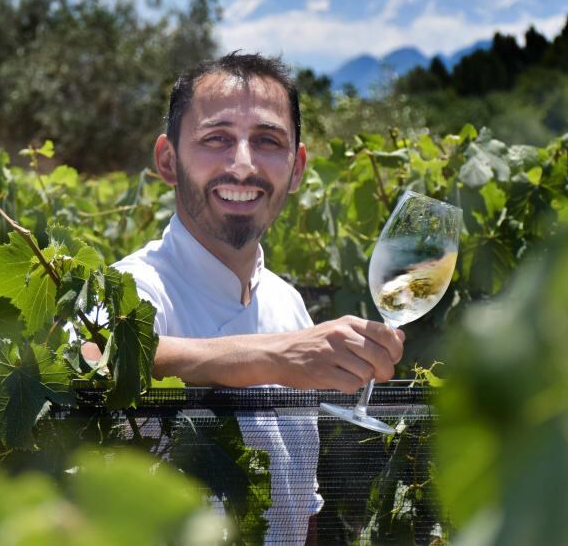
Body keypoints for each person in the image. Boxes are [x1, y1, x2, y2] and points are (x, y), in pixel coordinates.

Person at [109, 52, 405, 544]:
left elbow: (300, 510)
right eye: (216, 139)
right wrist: (278, 356)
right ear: (168, 160)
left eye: (267, 141)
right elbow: (98, 361)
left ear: (296, 167)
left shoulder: (289, 305)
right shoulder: (135, 288)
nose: (242, 164)